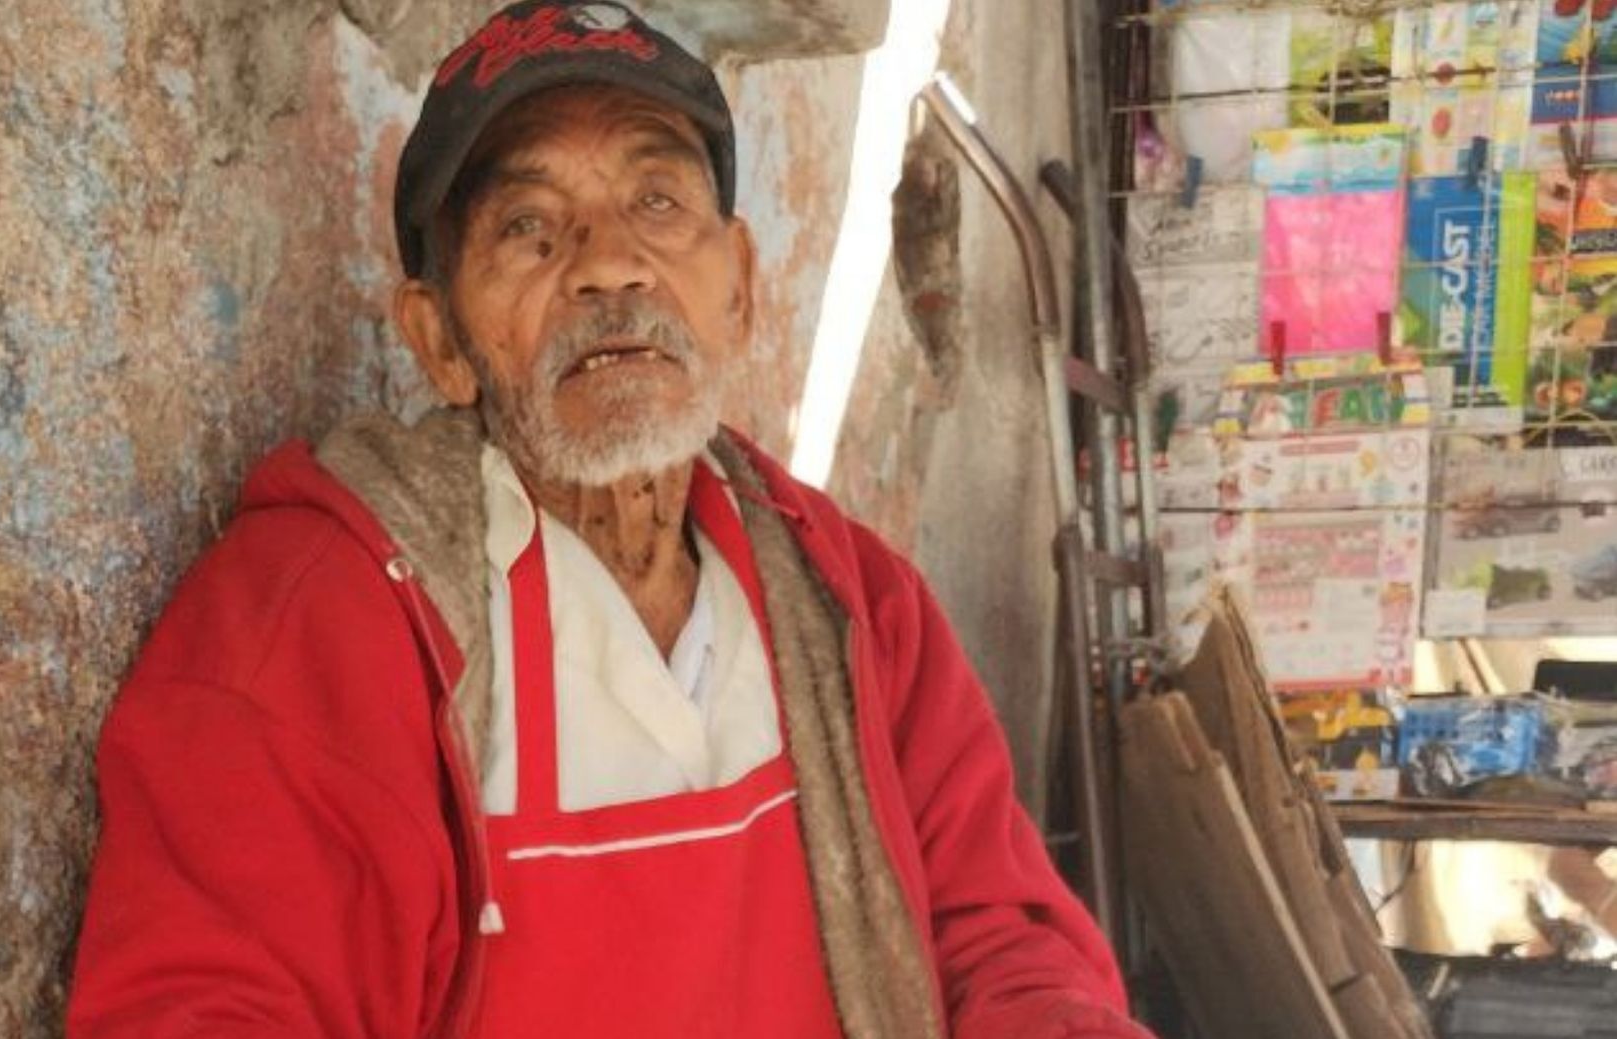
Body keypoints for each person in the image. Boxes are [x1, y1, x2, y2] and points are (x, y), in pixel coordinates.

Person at [66, 3, 1149, 1036]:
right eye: (529, 228)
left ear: (739, 291)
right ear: (439, 339)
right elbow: (211, 1003)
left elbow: (999, 939)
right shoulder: (315, 625)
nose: (610, 264)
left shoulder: (857, 606)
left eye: (659, 205)